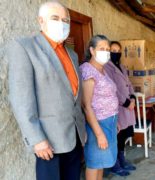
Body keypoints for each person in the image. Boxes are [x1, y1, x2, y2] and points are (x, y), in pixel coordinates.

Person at [7, 1, 86, 180]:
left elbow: (73, 94)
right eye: (55, 18)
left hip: (74, 135)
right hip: (48, 141)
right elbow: (21, 99)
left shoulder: (71, 54)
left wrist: (82, 130)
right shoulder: (25, 47)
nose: (62, 23)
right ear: (41, 21)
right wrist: (36, 139)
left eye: (66, 20)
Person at [80, 35, 119, 180]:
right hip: (97, 124)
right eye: (101, 48)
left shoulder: (102, 70)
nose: (106, 51)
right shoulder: (88, 71)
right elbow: (86, 106)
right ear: (92, 50)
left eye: (108, 49)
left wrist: (115, 121)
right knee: (94, 163)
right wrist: (99, 134)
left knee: (101, 162)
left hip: (109, 122)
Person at [104, 41, 137, 176]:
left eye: (118, 51)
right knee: (116, 136)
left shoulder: (122, 67)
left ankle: (122, 160)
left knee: (123, 135)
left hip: (127, 107)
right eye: (113, 50)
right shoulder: (106, 67)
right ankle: (114, 164)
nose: (116, 53)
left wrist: (133, 97)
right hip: (118, 107)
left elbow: (129, 84)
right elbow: (112, 89)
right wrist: (126, 102)